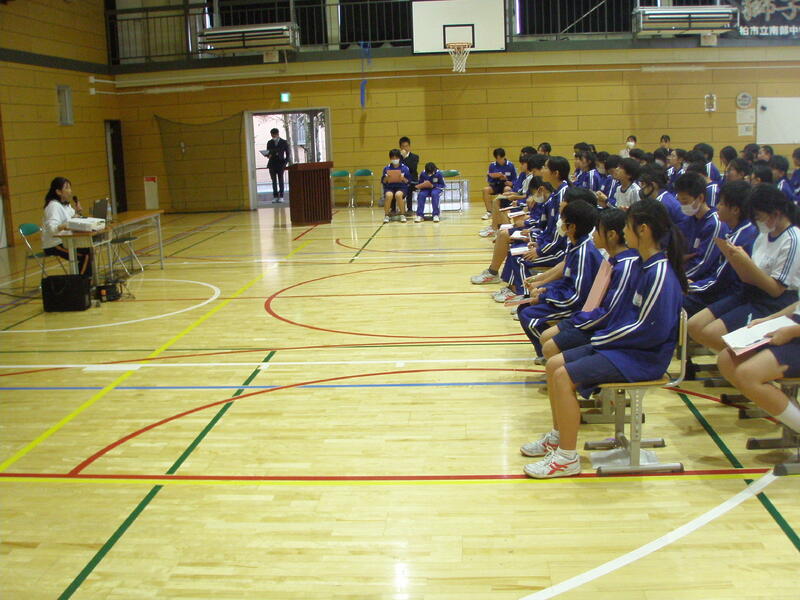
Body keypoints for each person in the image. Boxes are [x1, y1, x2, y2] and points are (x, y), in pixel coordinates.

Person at [521, 198, 686, 478]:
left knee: (563, 376)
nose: (624, 232)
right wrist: (603, 339)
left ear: (643, 230)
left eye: (628, 227)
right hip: (622, 347)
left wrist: (600, 340)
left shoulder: (658, 272)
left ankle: (567, 458)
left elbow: (650, 329)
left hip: (642, 357)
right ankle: (558, 437)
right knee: (553, 365)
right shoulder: (642, 265)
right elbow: (620, 314)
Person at [688, 184, 800, 352]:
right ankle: (738, 356)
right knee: (694, 325)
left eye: (758, 216)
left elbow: (776, 290)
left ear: (776, 214)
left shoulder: (792, 239)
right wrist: (736, 260)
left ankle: (747, 356)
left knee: (712, 334)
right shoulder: (763, 234)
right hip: (748, 292)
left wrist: (746, 263)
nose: (756, 222)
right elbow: (747, 277)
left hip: (772, 302)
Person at [538, 207, 641, 360]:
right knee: (545, 337)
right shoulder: (612, 260)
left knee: (549, 348)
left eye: (597, 231)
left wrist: (580, 319)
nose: (593, 235)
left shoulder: (624, 266)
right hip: (590, 315)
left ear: (611, 235)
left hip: (601, 325)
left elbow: (610, 313)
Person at [517, 198, 603, 359]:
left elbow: (576, 297)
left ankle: (551, 352)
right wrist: (545, 289)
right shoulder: (574, 245)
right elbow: (566, 281)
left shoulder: (584, 253)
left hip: (576, 307)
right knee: (523, 307)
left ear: (572, 227)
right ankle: (549, 351)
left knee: (529, 316)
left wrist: (544, 297)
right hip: (566, 297)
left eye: (563, 220)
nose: (560, 224)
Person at [717, 301, 800, 435]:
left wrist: (792, 332)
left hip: (794, 332)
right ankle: (788, 412)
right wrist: (769, 319)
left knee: (748, 374)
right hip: (793, 327)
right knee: (727, 359)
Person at [684, 180, 758, 316]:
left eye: (722, 203)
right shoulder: (741, 229)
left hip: (731, 295)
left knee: (677, 299)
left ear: (735, 210)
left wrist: (690, 286)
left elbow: (720, 281)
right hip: (721, 288)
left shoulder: (739, 239)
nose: (717, 206)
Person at [674, 171, 728, 283]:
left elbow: (701, 264)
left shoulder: (714, 224)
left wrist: (673, 277)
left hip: (703, 281)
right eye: (680, 201)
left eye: (685, 201)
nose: (682, 206)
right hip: (685, 273)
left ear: (700, 197)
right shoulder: (689, 219)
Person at [41, 176, 92, 276]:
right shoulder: (53, 206)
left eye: (70, 187)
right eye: (67, 188)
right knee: (86, 254)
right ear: (58, 191)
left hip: (67, 241)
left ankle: (85, 280)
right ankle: (80, 282)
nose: (70, 191)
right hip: (54, 244)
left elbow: (72, 218)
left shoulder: (66, 205)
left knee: (90, 249)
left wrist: (77, 213)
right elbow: (52, 229)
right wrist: (67, 224)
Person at [481, 148, 517, 221]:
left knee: (507, 189)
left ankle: (506, 210)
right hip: (496, 185)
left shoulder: (510, 165)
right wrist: (496, 177)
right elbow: (489, 179)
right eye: (497, 159)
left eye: (500, 159)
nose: (499, 161)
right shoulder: (492, 165)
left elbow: (515, 179)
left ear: (504, 157)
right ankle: (489, 212)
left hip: (506, 185)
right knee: (485, 190)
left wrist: (510, 182)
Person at [382, 149, 411, 223]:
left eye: (396, 158)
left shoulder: (405, 168)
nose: (395, 159)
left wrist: (403, 178)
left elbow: (408, 181)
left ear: (399, 158)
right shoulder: (387, 168)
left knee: (398, 195)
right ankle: (386, 215)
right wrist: (386, 178)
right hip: (389, 187)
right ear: (390, 158)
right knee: (388, 195)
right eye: (393, 158)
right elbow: (383, 181)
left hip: (401, 187)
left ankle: (402, 214)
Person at [266, 128, 290, 202]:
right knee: (273, 181)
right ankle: (275, 196)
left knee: (280, 180)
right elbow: (268, 152)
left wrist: (285, 163)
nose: (273, 136)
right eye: (272, 135)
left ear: (277, 134)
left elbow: (288, 154)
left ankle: (281, 196)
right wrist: (268, 155)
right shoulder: (269, 142)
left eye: (274, 135)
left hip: (280, 164)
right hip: (272, 164)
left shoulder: (284, 142)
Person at [399, 136, 420, 214]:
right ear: (400, 147)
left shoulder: (415, 157)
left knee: (409, 186)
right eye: (403, 146)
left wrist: (404, 158)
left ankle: (409, 209)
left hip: (412, 180)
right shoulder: (397, 157)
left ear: (409, 146)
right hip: (400, 179)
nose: (405, 148)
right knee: (392, 186)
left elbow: (412, 168)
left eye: (406, 146)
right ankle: (393, 209)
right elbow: (397, 168)